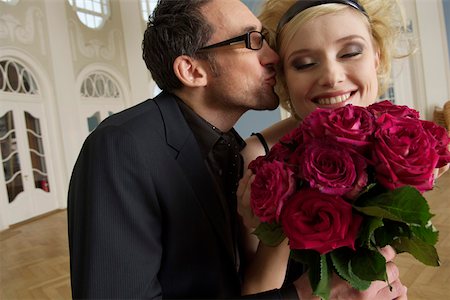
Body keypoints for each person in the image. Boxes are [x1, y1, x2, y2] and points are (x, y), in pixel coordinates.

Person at [67, 0, 406, 298]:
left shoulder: (230, 147)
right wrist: (304, 296)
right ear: (193, 70)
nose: (273, 57)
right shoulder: (123, 145)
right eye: (252, 41)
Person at [238, 0, 417, 298]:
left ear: (377, 57)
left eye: (350, 52)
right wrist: (282, 212)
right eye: (305, 64)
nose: (332, 77)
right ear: (284, 78)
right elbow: (256, 290)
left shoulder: (390, 142)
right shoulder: (257, 158)